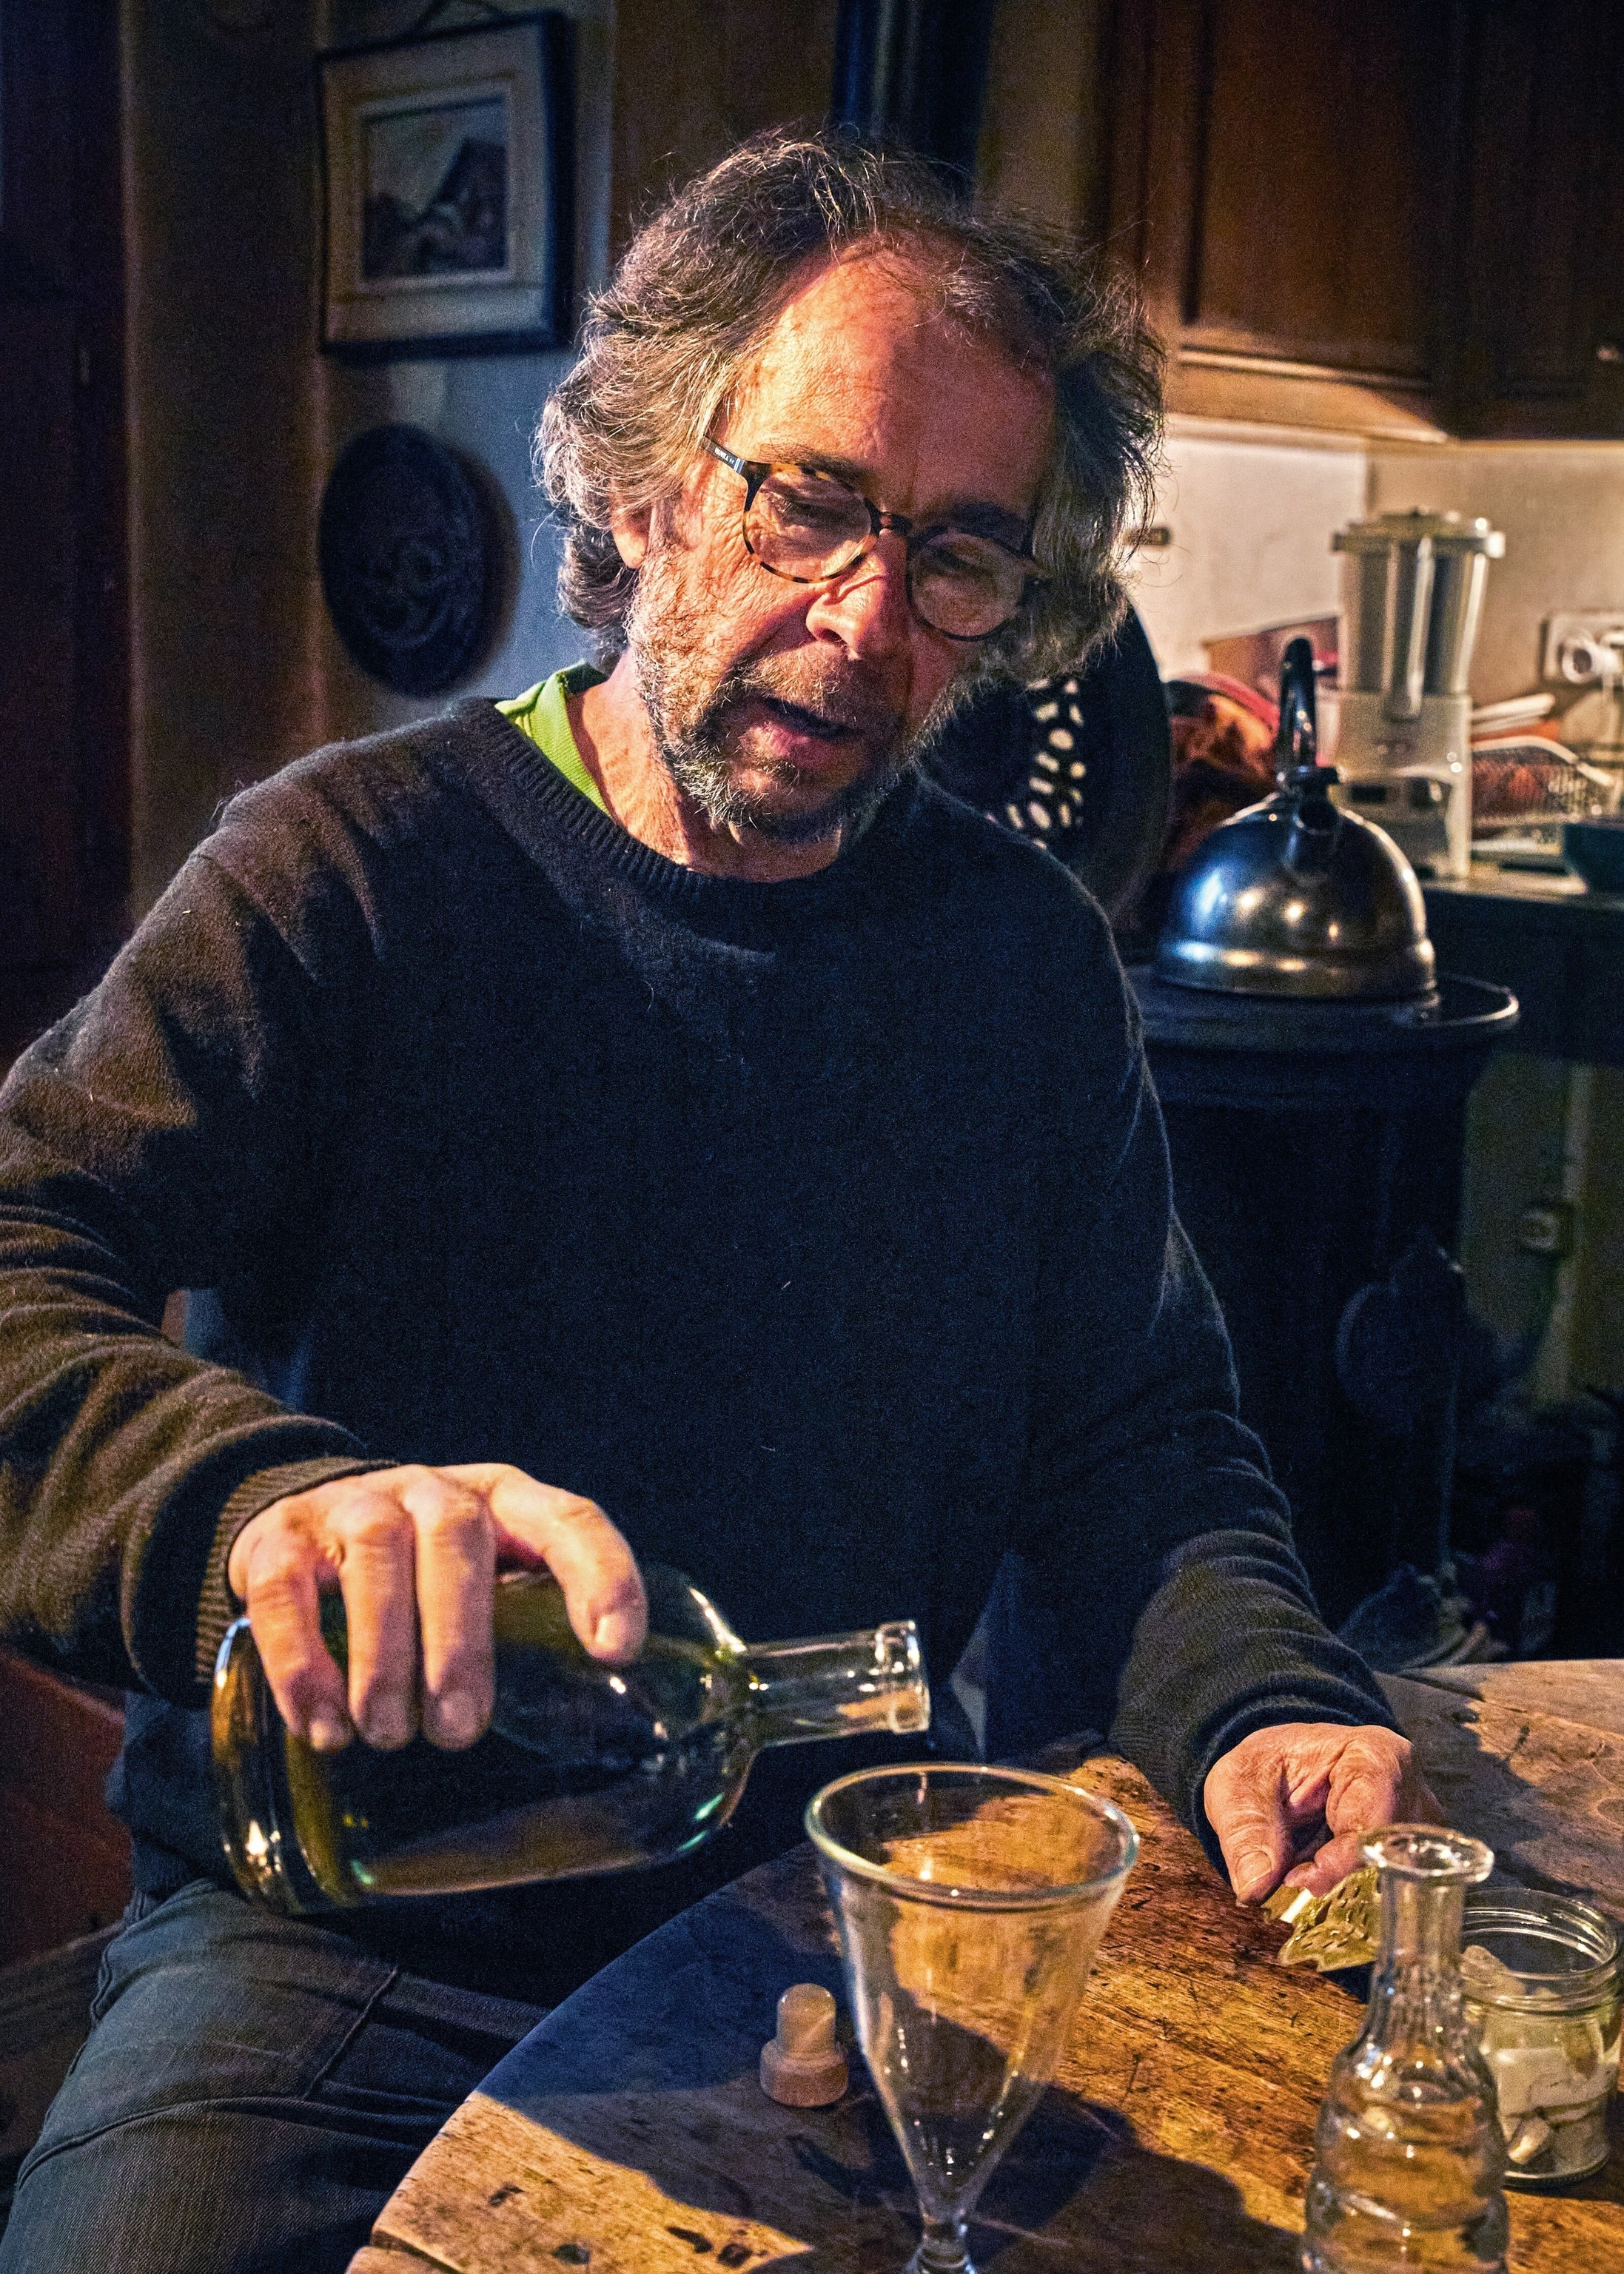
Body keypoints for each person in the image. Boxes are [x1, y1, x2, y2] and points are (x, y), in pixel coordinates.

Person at [0, 133, 1429, 2272]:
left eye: (955, 555)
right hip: (342, 1942)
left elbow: (1139, 1435)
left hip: (847, 1919)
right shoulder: (351, 874)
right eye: (812, 500)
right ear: (651, 478)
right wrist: (255, 1511)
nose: (863, 624)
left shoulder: (1019, 957)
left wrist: (1258, 1694)